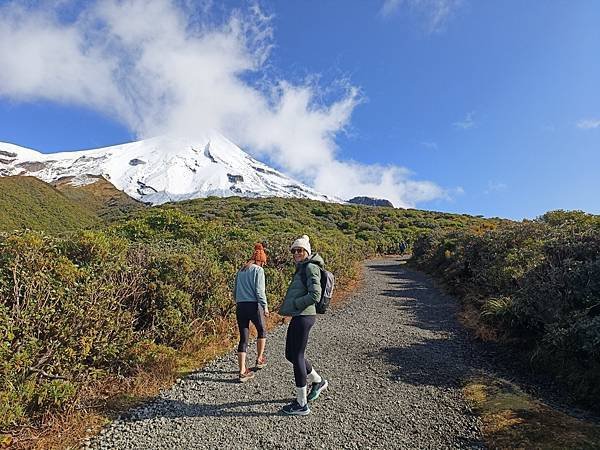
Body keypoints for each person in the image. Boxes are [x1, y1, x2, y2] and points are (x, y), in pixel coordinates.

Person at [278, 235, 328, 415]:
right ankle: (318, 380)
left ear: (307, 251)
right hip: (299, 316)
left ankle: (301, 404)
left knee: (297, 356)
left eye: (300, 250)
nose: (297, 253)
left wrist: (296, 304)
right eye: (294, 251)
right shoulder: (303, 268)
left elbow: (315, 294)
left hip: (305, 315)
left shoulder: (311, 267)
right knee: (290, 354)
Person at [234, 243, 269, 383]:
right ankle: (259, 359)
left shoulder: (241, 270)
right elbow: (260, 291)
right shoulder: (258, 271)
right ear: (261, 261)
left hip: (240, 306)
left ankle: (242, 371)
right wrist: (265, 307)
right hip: (253, 305)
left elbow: (234, 290)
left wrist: (238, 300)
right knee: (262, 330)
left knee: (243, 338)